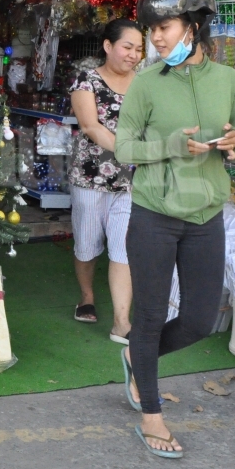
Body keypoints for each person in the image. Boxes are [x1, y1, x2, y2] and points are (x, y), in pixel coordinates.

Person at [115, 0, 235, 459]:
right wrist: (170, 147)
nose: (154, 37)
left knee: (197, 319)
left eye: (163, 26)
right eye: (151, 29)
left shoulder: (230, 81)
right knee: (150, 316)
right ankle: (151, 414)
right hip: (153, 214)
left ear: (194, 25)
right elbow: (124, 148)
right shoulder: (146, 83)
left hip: (206, 216)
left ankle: (136, 355)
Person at [68, 18, 142, 345]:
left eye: (139, 49)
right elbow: (91, 127)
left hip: (130, 182)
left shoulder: (146, 83)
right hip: (90, 177)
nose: (134, 55)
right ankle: (86, 296)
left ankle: (122, 322)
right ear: (108, 46)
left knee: (123, 248)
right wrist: (133, 152)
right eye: (128, 47)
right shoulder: (86, 81)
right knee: (87, 244)